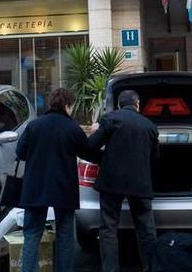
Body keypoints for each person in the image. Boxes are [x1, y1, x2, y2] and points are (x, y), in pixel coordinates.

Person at [16, 88, 98, 272]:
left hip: (35, 187)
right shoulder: (72, 128)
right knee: (65, 235)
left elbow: (20, 153)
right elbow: (88, 153)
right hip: (64, 188)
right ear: (68, 105)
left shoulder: (34, 125)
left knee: (32, 235)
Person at [87, 89, 159, 272]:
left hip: (112, 183)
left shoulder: (110, 119)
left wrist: (105, 160)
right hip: (140, 184)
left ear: (119, 105)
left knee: (108, 229)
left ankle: (110, 269)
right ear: (137, 104)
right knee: (146, 229)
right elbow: (155, 159)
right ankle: (151, 267)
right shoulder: (149, 126)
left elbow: (90, 146)